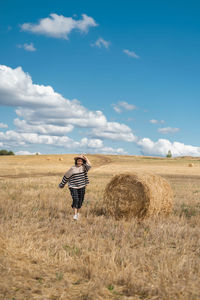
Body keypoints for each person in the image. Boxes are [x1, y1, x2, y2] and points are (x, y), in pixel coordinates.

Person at [59, 154, 91, 220]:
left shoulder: (84, 168)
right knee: (76, 199)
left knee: (80, 200)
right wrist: (62, 184)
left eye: (81, 161)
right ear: (76, 161)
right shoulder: (72, 169)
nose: (79, 162)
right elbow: (66, 177)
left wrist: (85, 157)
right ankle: (75, 215)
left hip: (82, 186)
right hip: (73, 187)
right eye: (78, 161)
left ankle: (78, 213)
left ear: (83, 162)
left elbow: (90, 165)